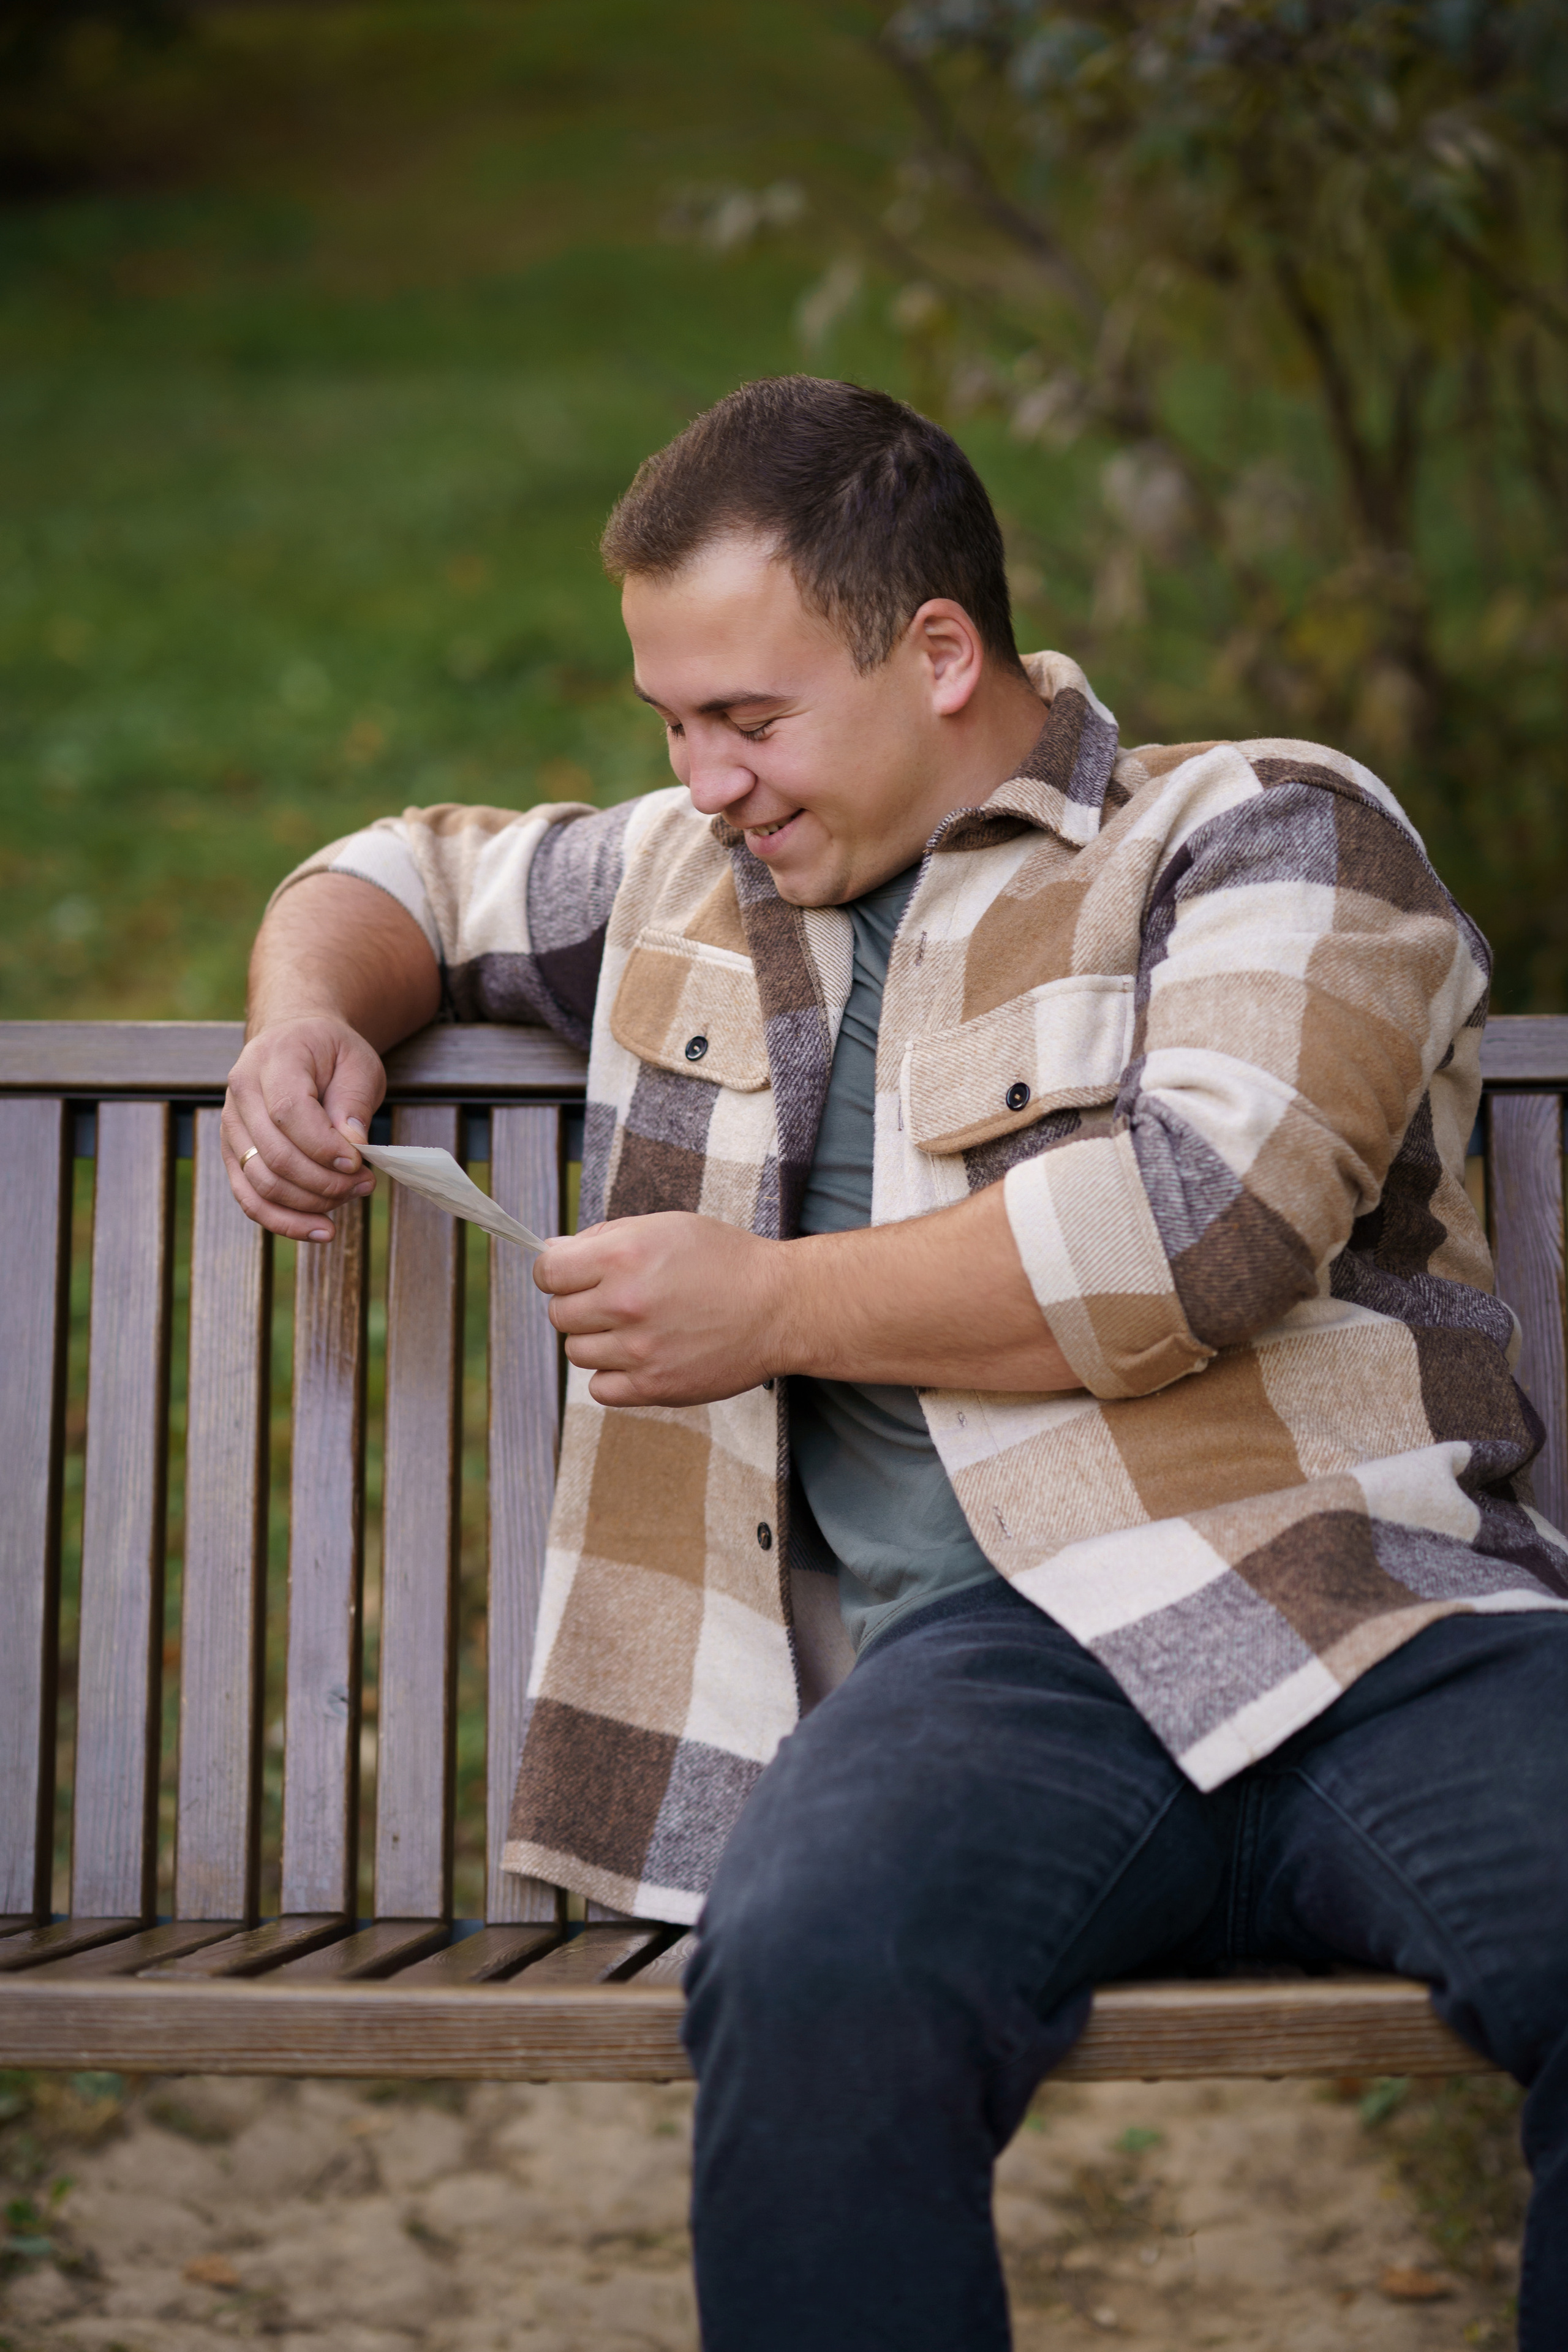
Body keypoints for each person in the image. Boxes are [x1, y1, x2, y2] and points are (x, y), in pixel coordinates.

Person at [224, 376, 1568, 2350]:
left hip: (1367, 1617)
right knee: (807, 1971)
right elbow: (397, 877)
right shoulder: (698, 878)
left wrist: (761, 1307)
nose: (703, 778)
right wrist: (297, 1020)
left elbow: (1198, 1233)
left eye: (750, 718)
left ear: (941, 653)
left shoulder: (1262, 829)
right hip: (995, 1674)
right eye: (670, 720)